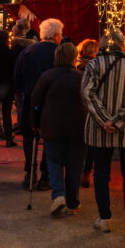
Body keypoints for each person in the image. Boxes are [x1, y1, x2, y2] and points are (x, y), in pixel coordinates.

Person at [81, 30, 125, 235]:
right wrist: (118, 121)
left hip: (101, 130)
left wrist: (104, 119)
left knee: (101, 171)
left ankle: (105, 217)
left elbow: (87, 93)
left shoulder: (93, 65)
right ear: (122, 45)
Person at [14, 18, 71, 190]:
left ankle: (29, 172)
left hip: (30, 99)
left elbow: (17, 77)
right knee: (49, 139)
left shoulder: (28, 51)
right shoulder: (59, 52)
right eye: (60, 34)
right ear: (55, 35)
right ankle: (46, 174)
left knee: (30, 137)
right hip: (52, 102)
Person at [31, 42, 86, 216]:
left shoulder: (47, 76)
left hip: (52, 125)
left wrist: (35, 123)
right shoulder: (81, 77)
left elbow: (36, 102)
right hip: (77, 127)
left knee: (54, 161)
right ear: (74, 58)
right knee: (74, 166)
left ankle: (58, 195)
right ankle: (73, 202)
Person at [76, 39, 99, 187]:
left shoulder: (76, 65)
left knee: (78, 143)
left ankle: (77, 171)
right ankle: (86, 174)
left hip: (77, 107)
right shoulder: (97, 67)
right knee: (89, 144)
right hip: (90, 108)